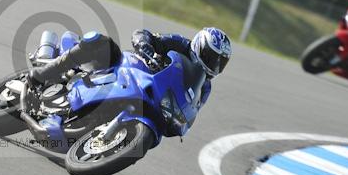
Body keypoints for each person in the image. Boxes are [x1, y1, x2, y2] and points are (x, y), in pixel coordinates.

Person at [28, 27, 232, 127]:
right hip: (130, 69)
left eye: (219, 62)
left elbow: (192, 108)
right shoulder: (180, 44)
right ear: (199, 45)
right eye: (210, 57)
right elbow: (144, 34)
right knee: (100, 41)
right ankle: (46, 70)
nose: (213, 64)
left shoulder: (204, 87)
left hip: (152, 98)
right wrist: (145, 46)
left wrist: (182, 121)